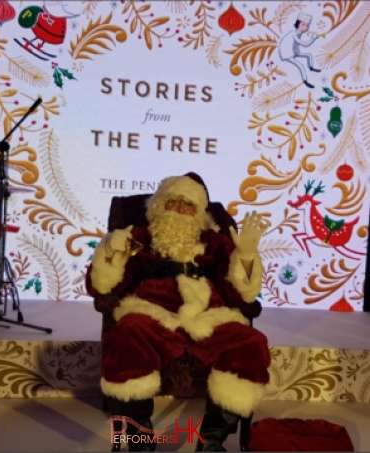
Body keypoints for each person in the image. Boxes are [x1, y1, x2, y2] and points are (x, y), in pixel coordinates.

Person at [86, 172, 271, 452]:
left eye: (189, 206)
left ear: (199, 213)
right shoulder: (139, 238)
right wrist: (111, 252)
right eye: (174, 202)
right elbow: (105, 284)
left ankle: (211, 439)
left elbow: (239, 292)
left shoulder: (215, 241)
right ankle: (140, 441)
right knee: (126, 334)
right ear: (159, 205)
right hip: (152, 311)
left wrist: (244, 258)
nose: (181, 211)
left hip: (208, 315)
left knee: (250, 343)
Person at [278, 12, 321, 89]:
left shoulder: (298, 33)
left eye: (307, 25)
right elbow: (304, 44)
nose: (306, 27)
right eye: (303, 24)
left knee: (309, 55)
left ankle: (311, 67)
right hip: (287, 54)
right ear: (298, 24)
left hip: (294, 52)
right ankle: (305, 81)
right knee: (301, 65)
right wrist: (313, 38)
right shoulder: (294, 34)